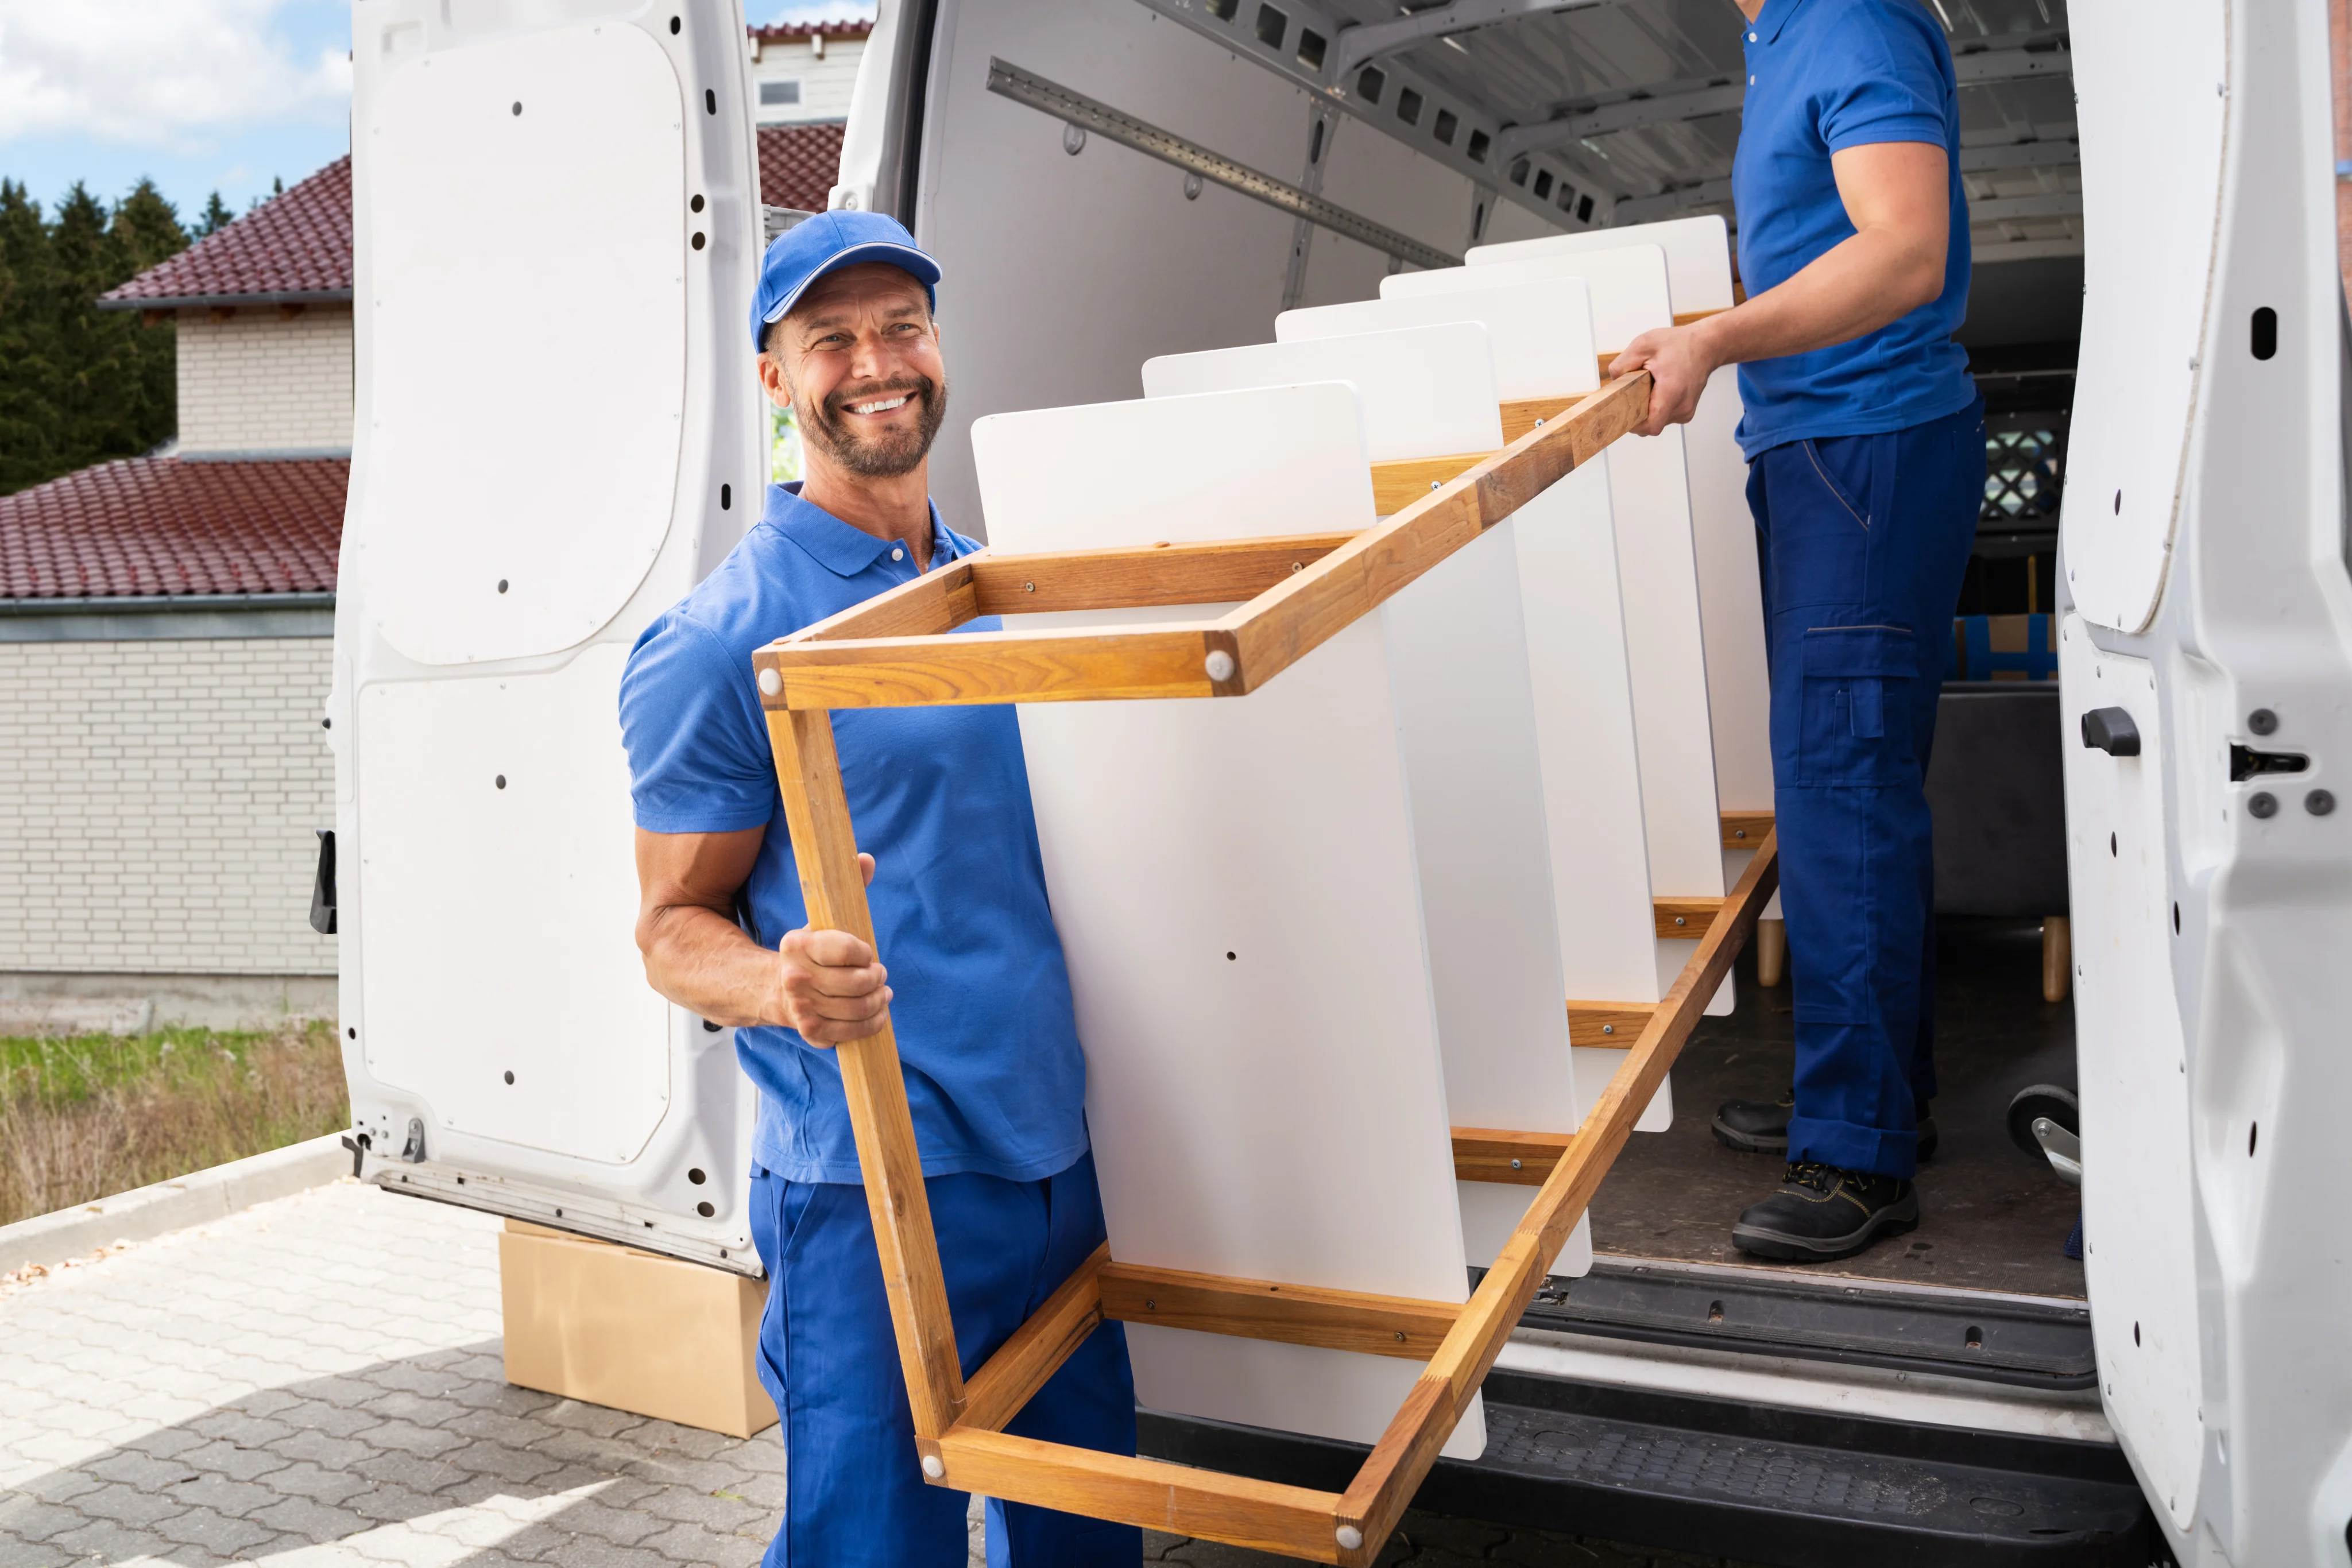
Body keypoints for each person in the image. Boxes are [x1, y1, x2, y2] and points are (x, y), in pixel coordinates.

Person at [619, 211, 1142, 1568]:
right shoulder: (723, 637)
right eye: (830, 339)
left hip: (1056, 1157)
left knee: (1088, 1545)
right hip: (871, 1180)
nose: (875, 363)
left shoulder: (994, 587)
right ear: (776, 378)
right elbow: (673, 930)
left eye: (899, 326)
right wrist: (779, 985)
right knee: (873, 1551)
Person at [1610, 0, 1986, 1262]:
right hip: (1822, 446)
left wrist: (1714, 336)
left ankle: (1858, 1155)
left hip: (1862, 442)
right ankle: (1878, 1099)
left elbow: (1902, 253)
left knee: (1840, 794)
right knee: (1845, 787)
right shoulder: (1788, 42)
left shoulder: (1851, 21)